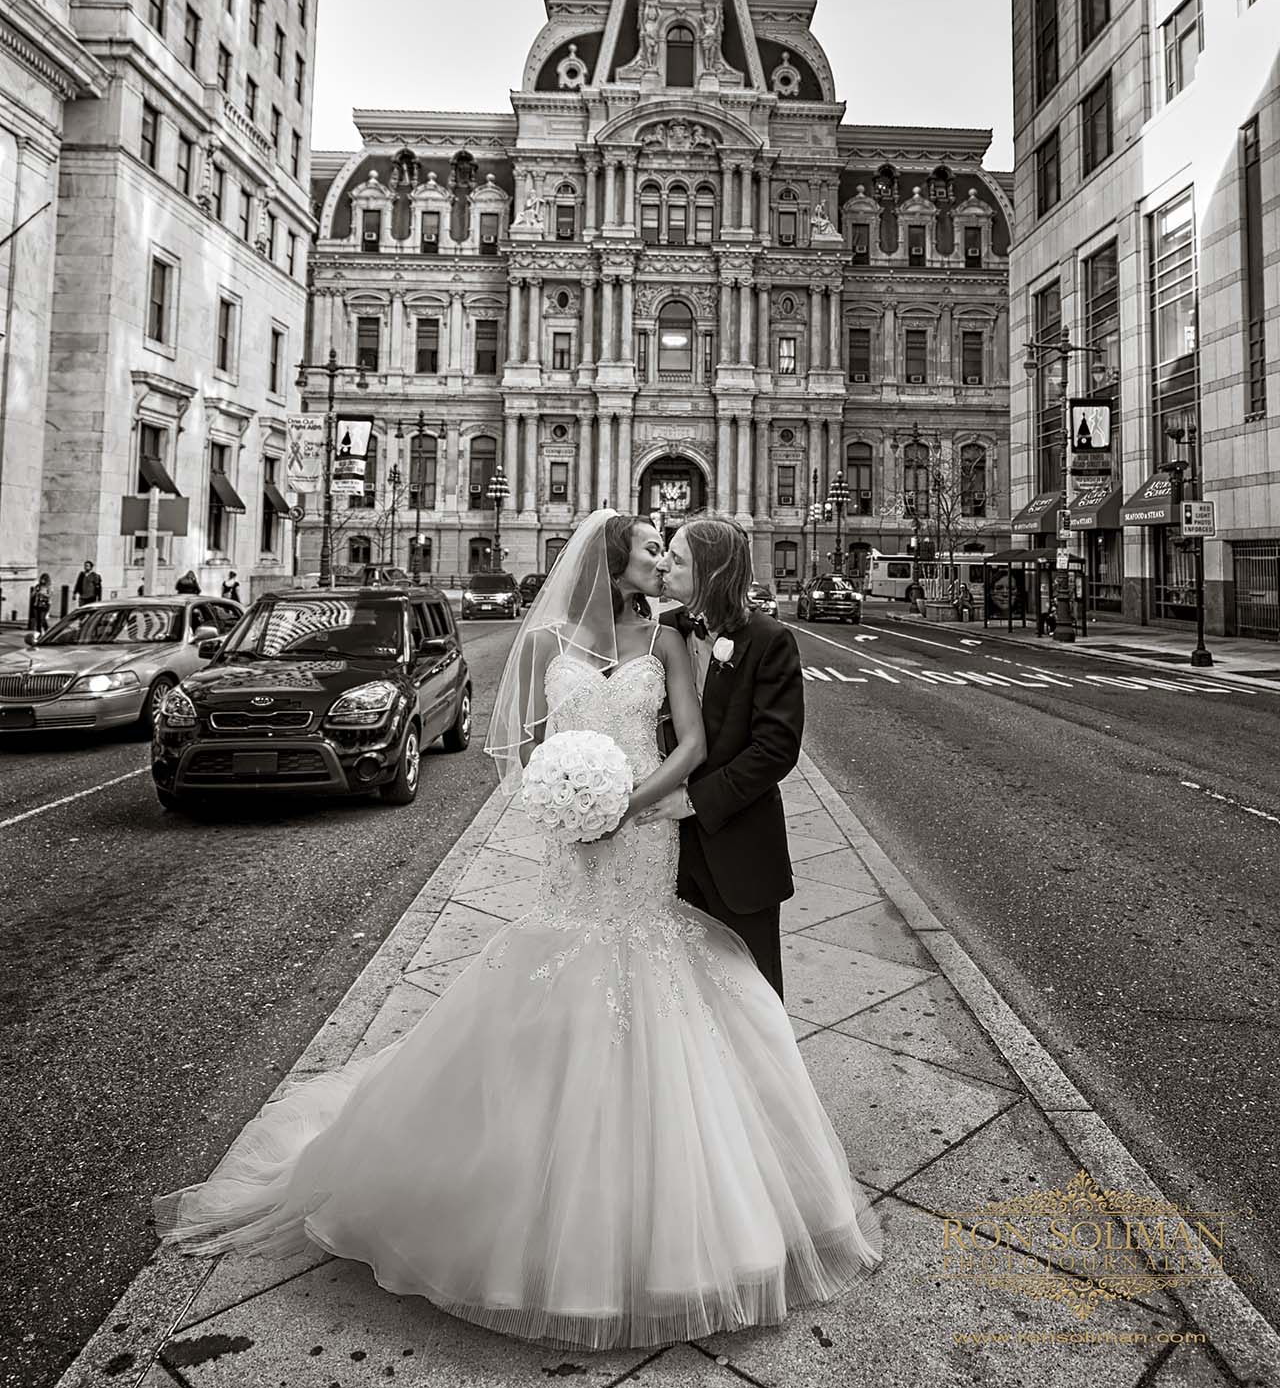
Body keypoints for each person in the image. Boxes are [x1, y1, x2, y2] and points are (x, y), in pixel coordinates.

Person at [153, 510, 881, 1348]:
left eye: (672, 553)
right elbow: (528, 743)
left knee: (728, 1005)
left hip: (666, 839)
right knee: (588, 1003)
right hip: (597, 849)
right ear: (614, 564)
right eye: (653, 550)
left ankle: (754, 1165)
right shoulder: (568, 642)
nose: (662, 560)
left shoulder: (691, 639)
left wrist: (633, 804)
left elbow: (724, 746)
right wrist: (563, 798)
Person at [654, 519, 800, 1001]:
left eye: (676, 559)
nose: (663, 565)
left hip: (740, 852)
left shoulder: (769, 641)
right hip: (664, 855)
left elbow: (775, 750)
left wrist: (694, 801)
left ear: (712, 572)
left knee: (751, 999)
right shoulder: (662, 632)